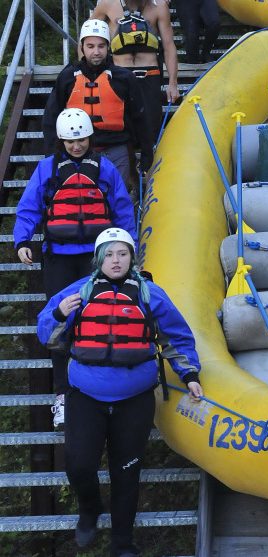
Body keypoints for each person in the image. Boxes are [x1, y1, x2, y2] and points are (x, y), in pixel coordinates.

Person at [36, 227, 204, 557]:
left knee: (125, 473)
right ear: (99, 259)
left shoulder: (150, 294)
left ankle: (122, 544)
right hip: (86, 395)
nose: (116, 260)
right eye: (109, 254)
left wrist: (190, 374)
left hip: (134, 400)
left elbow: (177, 338)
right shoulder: (78, 292)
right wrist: (59, 314)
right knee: (79, 465)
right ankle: (90, 508)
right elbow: (49, 336)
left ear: (132, 258)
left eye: (122, 253)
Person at [15, 108, 137, 429]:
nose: (76, 146)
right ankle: (62, 396)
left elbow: (123, 209)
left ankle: (100, 390)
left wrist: (129, 247)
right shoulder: (48, 169)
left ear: (90, 138)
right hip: (58, 257)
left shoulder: (105, 169)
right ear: (61, 141)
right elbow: (29, 207)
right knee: (59, 323)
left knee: (97, 319)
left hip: (95, 260)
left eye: (81, 139)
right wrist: (22, 240)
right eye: (70, 140)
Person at [43, 19, 153, 189]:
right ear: (82, 47)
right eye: (91, 46)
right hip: (77, 151)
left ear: (108, 47)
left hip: (117, 150)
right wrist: (52, 154)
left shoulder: (124, 78)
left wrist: (146, 151)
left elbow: (140, 117)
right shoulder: (67, 77)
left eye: (101, 46)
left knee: (116, 201)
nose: (96, 52)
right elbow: (51, 117)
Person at [90, 0, 180, 138]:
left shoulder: (159, 6)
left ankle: (149, 157)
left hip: (149, 75)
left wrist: (173, 83)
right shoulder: (107, 4)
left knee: (150, 129)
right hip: (119, 74)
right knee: (121, 127)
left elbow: (169, 46)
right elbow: (86, 37)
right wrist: (87, 72)